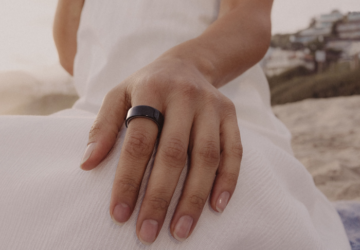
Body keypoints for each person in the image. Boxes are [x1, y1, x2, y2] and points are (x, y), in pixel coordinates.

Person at [0, 0, 351, 249]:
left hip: (218, 114)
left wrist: (185, 64)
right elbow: (71, 52)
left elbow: (251, 16)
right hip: (95, 118)